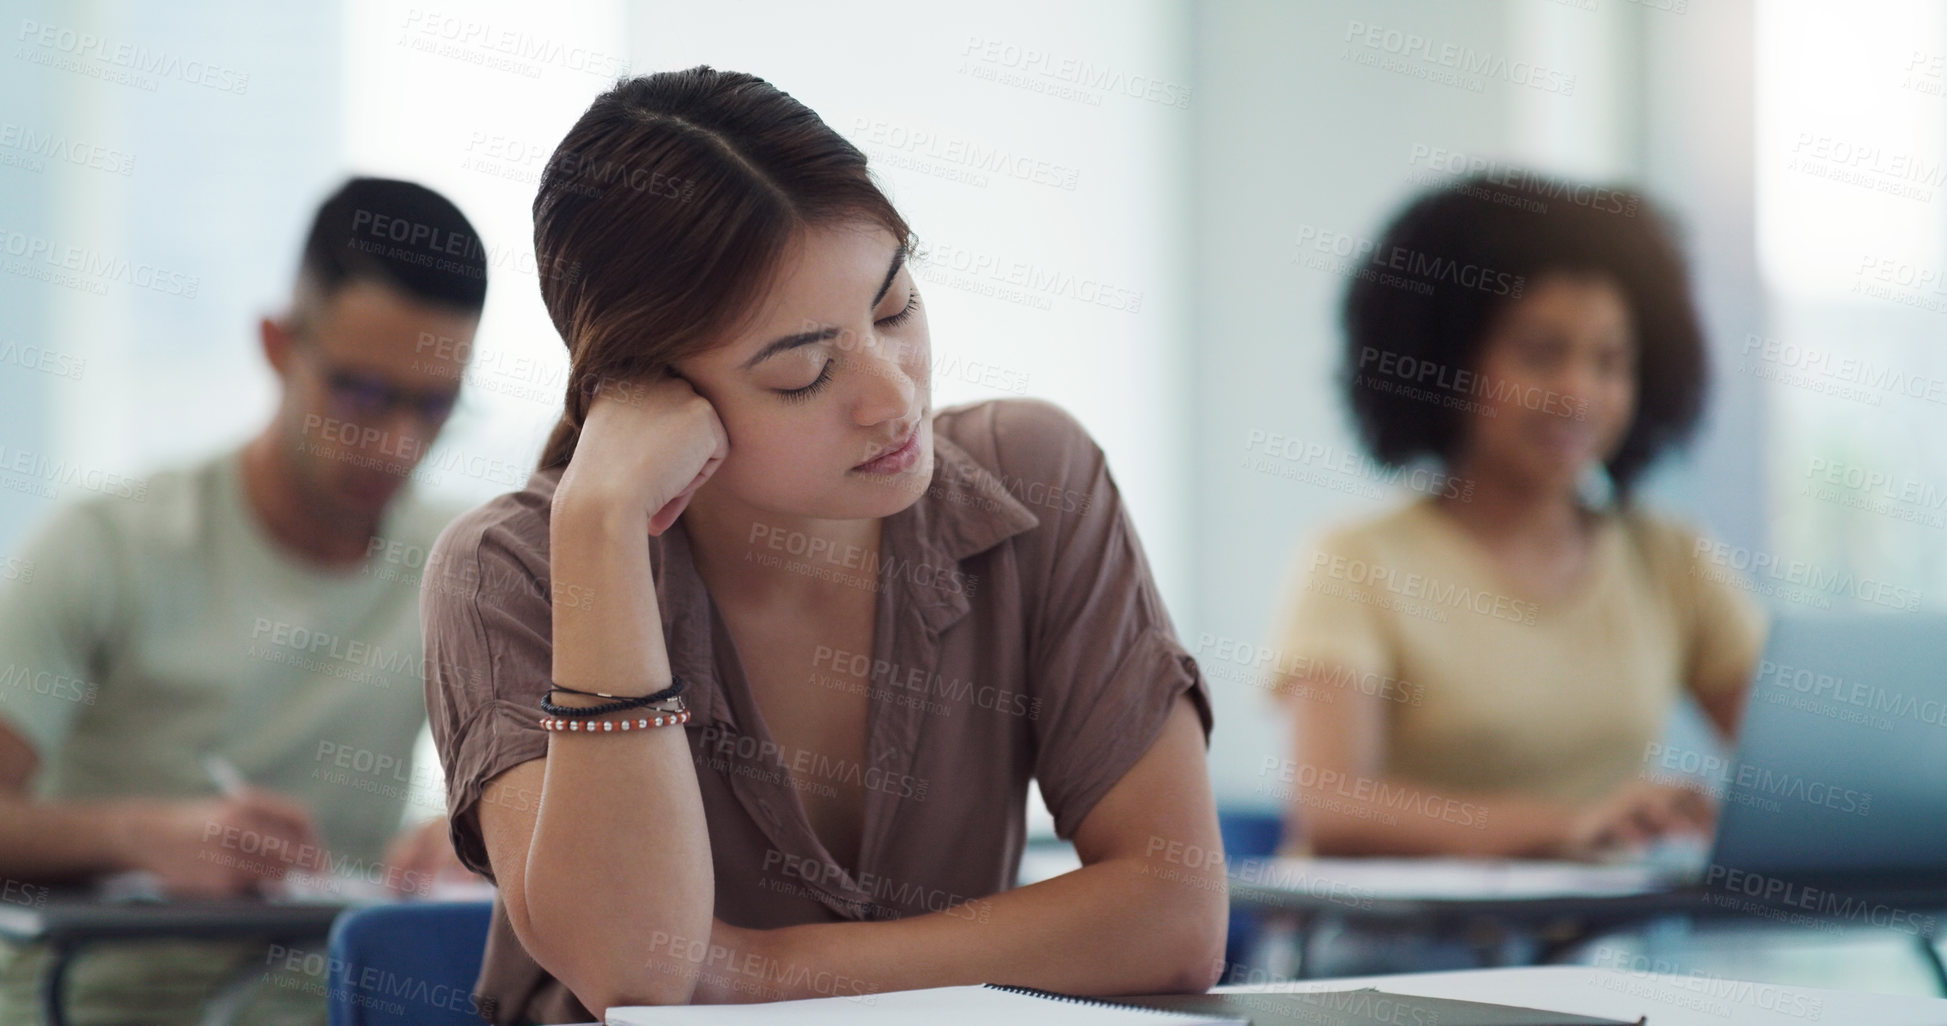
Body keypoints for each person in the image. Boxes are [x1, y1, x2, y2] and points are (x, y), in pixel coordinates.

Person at [421, 66, 1225, 1023]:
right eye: (803, 372)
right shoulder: (511, 571)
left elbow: (1173, 917)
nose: (894, 399)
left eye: (895, 310)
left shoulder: (1034, 478)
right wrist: (600, 525)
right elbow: (632, 973)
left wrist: (757, 975)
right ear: (648, 395)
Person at [0, 177, 488, 1025]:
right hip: (94, 1004)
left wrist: (483, 836)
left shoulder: (458, 563)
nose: (399, 444)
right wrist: (142, 836)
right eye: (362, 394)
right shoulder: (110, 545)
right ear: (275, 343)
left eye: (434, 405)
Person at [1266, 174, 1765, 864]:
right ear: (1444, 362)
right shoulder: (1356, 559)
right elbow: (1330, 807)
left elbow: (1798, 772)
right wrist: (1570, 825)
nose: (1578, 392)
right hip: (1385, 954)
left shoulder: (1670, 557)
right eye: (1540, 354)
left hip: (1595, 949)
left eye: (1609, 360)